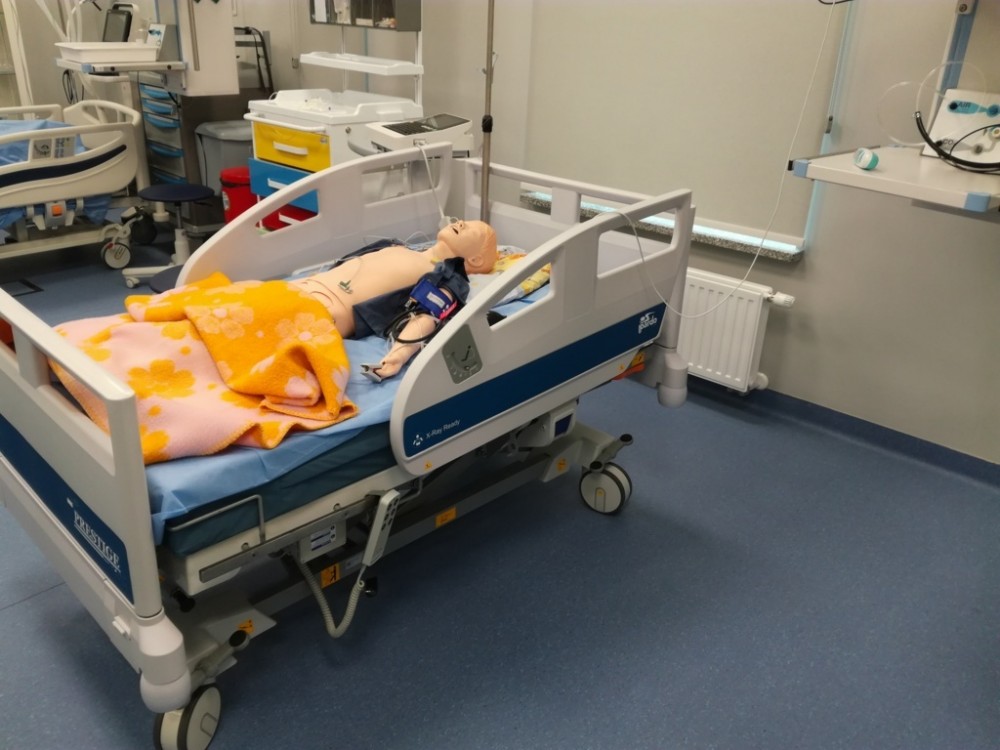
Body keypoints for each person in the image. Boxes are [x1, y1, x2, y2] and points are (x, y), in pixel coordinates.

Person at [290, 219, 498, 380]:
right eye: (463, 221)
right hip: (299, 287)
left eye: (472, 229)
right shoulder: (395, 245)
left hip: (324, 309)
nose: (460, 223)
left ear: (476, 260)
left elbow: (427, 317)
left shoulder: (446, 277)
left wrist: (397, 356)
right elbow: (342, 266)